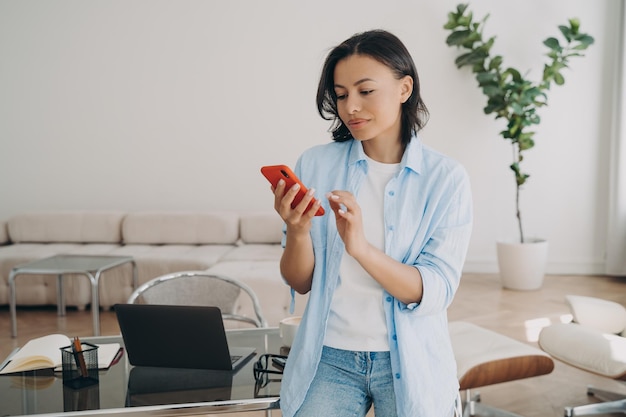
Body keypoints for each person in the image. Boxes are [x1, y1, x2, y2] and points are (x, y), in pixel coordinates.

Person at [269, 29, 472, 417]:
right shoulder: (315, 164)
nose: (351, 108)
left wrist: (359, 248)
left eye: (365, 91)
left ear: (404, 88)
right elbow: (300, 281)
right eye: (342, 95)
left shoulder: (445, 178)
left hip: (410, 361)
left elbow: (434, 290)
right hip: (328, 358)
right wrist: (297, 231)